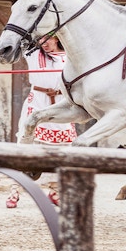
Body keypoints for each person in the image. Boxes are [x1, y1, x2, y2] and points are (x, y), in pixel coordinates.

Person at [6, 35, 76, 208]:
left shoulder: (70, 56)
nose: (44, 44)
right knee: (24, 148)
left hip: (60, 104)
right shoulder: (32, 52)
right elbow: (23, 33)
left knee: (62, 151)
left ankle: (55, 191)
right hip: (37, 102)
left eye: (48, 40)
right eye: (41, 41)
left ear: (57, 38)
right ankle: (14, 191)